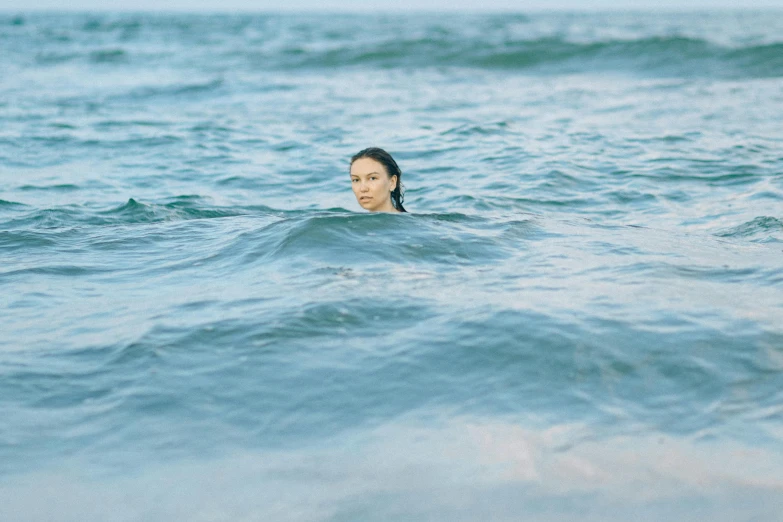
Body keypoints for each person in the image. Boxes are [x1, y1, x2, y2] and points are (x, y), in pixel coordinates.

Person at [349, 147, 407, 213]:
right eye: (356, 180)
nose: (363, 189)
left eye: (372, 178)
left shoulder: (415, 222)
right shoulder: (350, 222)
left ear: (392, 182)